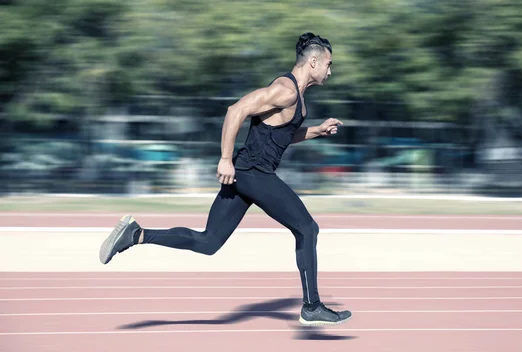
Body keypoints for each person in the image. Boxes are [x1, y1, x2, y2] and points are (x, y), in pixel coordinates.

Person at [99, 32, 351, 326]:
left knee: (209, 242)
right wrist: (225, 158)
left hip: (247, 174)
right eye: (329, 64)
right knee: (307, 229)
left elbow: (281, 137)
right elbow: (236, 110)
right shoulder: (286, 90)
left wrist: (317, 131)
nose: (330, 71)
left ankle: (136, 234)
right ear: (314, 61)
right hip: (253, 173)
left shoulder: (298, 98)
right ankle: (311, 306)